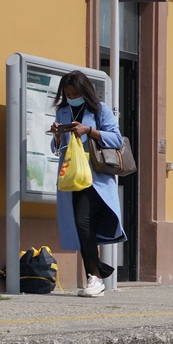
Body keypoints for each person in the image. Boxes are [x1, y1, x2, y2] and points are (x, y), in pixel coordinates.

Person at [49, 71, 125, 298]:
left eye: (75, 93)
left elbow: (117, 139)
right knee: (84, 227)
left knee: (84, 225)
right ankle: (98, 274)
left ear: (85, 92)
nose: (72, 96)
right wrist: (58, 137)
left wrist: (88, 131)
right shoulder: (62, 111)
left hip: (96, 178)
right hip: (72, 176)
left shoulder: (99, 109)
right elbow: (58, 150)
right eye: (68, 93)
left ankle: (96, 276)